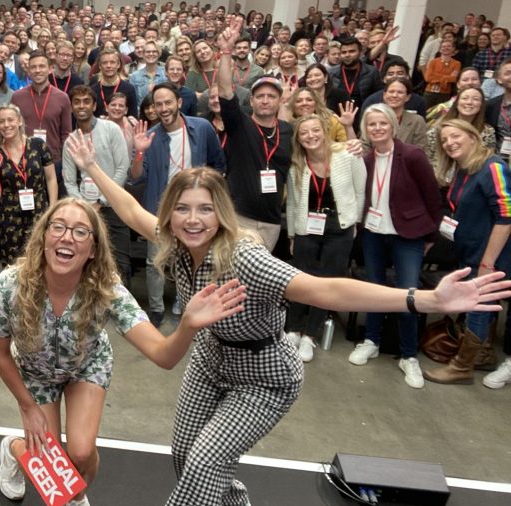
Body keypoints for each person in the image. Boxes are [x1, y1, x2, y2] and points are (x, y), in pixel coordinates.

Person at [62, 131, 511, 506]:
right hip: (211, 359)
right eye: (182, 208)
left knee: (203, 462)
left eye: (204, 208)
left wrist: (425, 300)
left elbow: (324, 289)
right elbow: (130, 210)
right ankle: (232, 499)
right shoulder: (175, 241)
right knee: (184, 453)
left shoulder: (246, 258)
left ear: (221, 211)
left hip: (264, 376)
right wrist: (92, 168)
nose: (192, 219)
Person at [0, 197, 246, 506]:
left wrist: (186, 325)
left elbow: (163, 355)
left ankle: (77, 501)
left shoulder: (106, 288)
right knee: (46, 463)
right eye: (58, 227)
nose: (68, 237)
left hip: (85, 366)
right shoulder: (8, 286)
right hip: (35, 373)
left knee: (78, 452)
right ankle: (13, 449)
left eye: (81, 231)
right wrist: (27, 406)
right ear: (43, 236)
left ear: (92, 248)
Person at [348, 104, 443, 389]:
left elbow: (433, 200)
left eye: (382, 124)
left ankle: (408, 355)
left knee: (407, 295)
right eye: (372, 125)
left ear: (393, 126)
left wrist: (429, 239)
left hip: (408, 235)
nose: (377, 129)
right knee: (375, 289)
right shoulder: (366, 160)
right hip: (374, 234)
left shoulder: (412, 156)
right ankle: (371, 341)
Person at [130, 82, 225, 326]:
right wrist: (139, 152)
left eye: (168, 102)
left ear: (179, 102)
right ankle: (156, 307)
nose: (163, 108)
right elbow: (136, 176)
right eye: (158, 104)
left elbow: (218, 165)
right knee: (155, 261)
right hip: (161, 208)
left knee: (194, 258)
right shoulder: (150, 137)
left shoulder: (202, 128)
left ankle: (186, 303)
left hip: (195, 209)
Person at [425, 119, 511, 385]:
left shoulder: (493, 167)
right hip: (471, 254)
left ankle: (462, 367)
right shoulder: (463, 170)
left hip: (491, 258)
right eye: (445, 140)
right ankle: (480, 356)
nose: (449, 143)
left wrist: (488, 262)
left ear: (473, 137)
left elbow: (506, 215)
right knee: (481, 306)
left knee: (478, 307)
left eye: (455, 136)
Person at [285, 114, 365, 361]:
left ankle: (310, 335)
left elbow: (360, 189)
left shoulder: (347, 155)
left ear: (325, 131)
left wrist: (355, 222)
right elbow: (292, 203)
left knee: (327, 282)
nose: (311, 136)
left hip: (339, 227)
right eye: (304, 133)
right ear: (299, 139)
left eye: (315, 130)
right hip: (307, 226)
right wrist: (291, 233)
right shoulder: (296, 163)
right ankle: (293, 329)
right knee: (301, 279)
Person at [216, 16, 293, 250]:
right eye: (260, 96)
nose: (265, 101)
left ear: (280, 100)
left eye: (271, 96)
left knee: (257, 284)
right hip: (239, 216)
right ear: (252, 100)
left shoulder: (288, 130)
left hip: (271, 220)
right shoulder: (240, 123)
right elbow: (225, 91)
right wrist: (226, 53)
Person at [62, 86, 131, 283]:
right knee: (87, 263)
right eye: (77, 102)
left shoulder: (111, 129)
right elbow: (69, 180)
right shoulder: (71, 141)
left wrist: (102, 201)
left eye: (86, 101)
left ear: (94, 105)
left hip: (115, 206)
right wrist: (83, 205)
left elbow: (122, 168)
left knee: (120, 264)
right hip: (85, 209)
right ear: (72, 107)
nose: (81, 106)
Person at [0, 104, 57, 264]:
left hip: (39, 213)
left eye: (10, 120)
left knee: (40, 261)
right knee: (13, 265)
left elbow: (51, 179)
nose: (6, 125)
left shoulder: (38, 145)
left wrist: (53, 210)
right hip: (8, 217)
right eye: (2, 121)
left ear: (20, 121)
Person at [12, 51, 73, 186]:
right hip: (24, 160)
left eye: (42, 66)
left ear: (50, 69)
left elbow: (66, 134)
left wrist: (65, 163)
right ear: (28, 70)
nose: (37, 70)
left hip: (54, 161)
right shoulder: (17, 97)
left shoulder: (62, 98)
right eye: (33, 67)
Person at [426, 87, 494, 176]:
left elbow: (487, 159)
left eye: (475, 99)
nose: (469, 102)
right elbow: (429, 158)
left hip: (473, 177)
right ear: (457, 103)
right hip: (440, 180)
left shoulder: (487, 131)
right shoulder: (439, 128)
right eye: (465, 98)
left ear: (481, 105)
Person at [92, 48, 138, 118]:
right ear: (100, 66)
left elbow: (133, 116)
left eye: (112, 62)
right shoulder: (93, 90)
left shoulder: (129, 89)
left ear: (118, 64)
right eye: (105, 63)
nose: (108, 66)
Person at [424, 40, 462, 110]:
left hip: (445, 94)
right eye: (443, 46)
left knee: (441, 115)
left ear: (453, 49)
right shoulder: (433, 62)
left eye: (448, 46)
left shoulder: (457, 64)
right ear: (440, 49)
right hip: (430, 92)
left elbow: (454, 78)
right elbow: (428, 78)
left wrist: (436, 76)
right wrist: (446, 78)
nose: (445, 48)